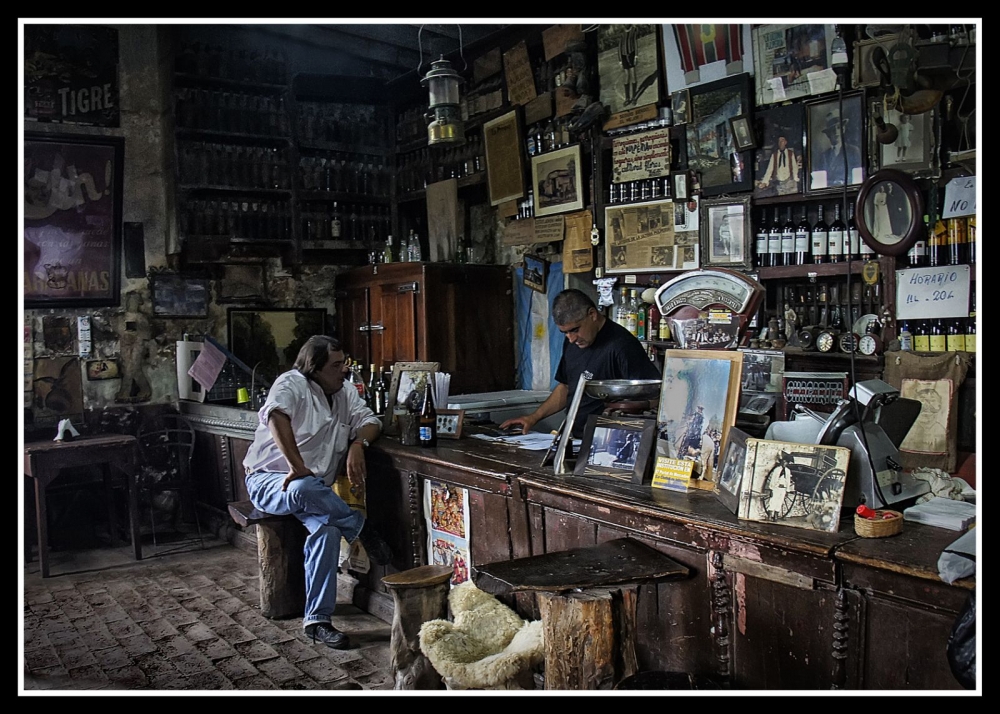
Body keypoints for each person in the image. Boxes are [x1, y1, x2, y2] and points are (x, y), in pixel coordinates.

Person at [242, 335, 392, 650]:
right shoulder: (291, 384)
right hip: (269, 479)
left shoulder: (344, 392)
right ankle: (360, 527)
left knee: (325, 530)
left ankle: (317, 621)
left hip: (315, 490)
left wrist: (357, 444)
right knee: (302, 487)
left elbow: (370, 421)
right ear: (315, 368)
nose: (344, 371)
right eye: (337, 365)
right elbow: (276, 416)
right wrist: (296, 466)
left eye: (345, 363)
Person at [500, 288, 660, 438]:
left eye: (575, 329)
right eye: (565, 333)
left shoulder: (622, 345)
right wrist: (533, 418)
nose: (571, 338)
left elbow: (654, 396)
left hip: (608, 439)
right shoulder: (572, 341)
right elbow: (566, 386)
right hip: (574, 436)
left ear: (592, 314)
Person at [817, 110, 862, 187]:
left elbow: (858, 179)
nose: (836, 132)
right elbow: (819, 183)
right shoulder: (823, 156)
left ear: (843, 129)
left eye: (838, 127)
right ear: (828, 134)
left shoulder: (853, 151)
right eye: (832, 129)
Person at [619, 24, 638, 106]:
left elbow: (635, 42)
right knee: (626, 76)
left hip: (631, 54)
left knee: (633, 74)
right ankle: (627, 98)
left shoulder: (634, 30)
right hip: (623, 56)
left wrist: (636, 56)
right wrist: (620, 60)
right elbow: (619, 46)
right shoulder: (621, 32)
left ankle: (634, 97)